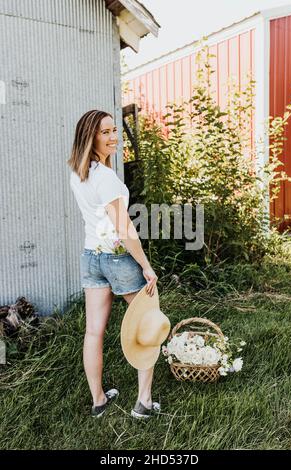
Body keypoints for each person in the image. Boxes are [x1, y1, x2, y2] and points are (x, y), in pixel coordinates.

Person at [67, 109, 159, 419]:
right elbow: (123, 228)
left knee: (94, 331)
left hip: (90, 256)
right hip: (116, 256)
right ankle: (144, 402)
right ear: (90, 136)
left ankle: (99, 401)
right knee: (147, 323)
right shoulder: (104, 177)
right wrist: (145, 265)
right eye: (105, 132)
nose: (113, 137)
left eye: (114, 130)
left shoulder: (78, 173)